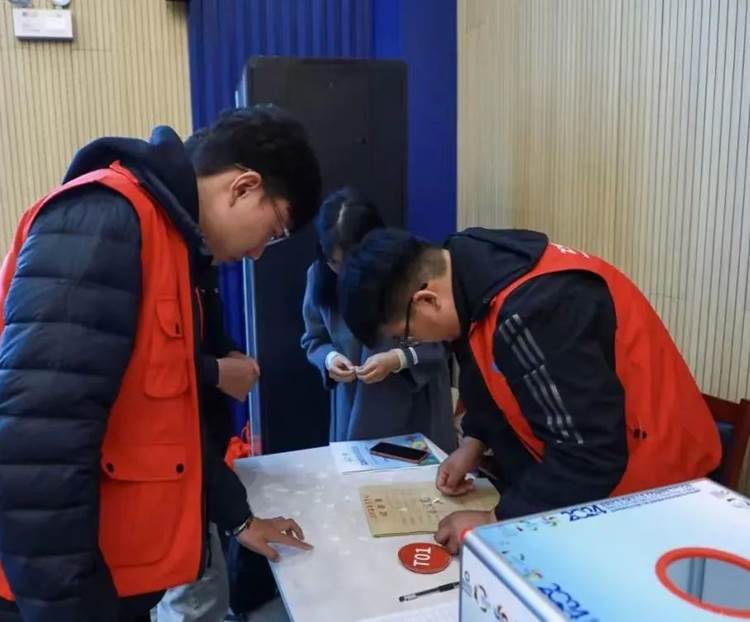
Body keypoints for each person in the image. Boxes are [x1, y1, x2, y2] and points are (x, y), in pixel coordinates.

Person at [0, 104, 321, 621]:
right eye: (273, 232)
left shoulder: (175, 248)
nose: (258, 254)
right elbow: (35, 450)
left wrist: (238, 519)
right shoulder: (107, 221)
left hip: (100, 574)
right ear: (243, 187)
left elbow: (167, 423)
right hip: (31, 589)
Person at [338, 227, 721, 553]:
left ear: (426, 300)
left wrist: (493, 520)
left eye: (406, 336)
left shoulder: (536, 308)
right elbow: (486, 372)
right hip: (599, 476)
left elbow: (589, 455)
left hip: (657, 493)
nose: (415, 343)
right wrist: (473, 443)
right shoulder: (468, 277)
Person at [301, 189, 455, 453]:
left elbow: (446, 338)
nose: (345, 272)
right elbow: (314, 339)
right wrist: (330, 360)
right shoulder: (319, 275)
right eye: (335, 262)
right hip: (354, 409)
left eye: (352, 260)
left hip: (415, 407)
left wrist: (398, 358)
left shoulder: (413, 263)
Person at [156, 266, 258, 622]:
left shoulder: (199, 266)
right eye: (269, 237)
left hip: (202, 464)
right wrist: (239, 519)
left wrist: (232, 355)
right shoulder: (156, 263)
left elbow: (209, 335)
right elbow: (147, 366)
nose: (256, 253)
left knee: (199, 588)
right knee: (194, 595)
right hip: (177, 471)